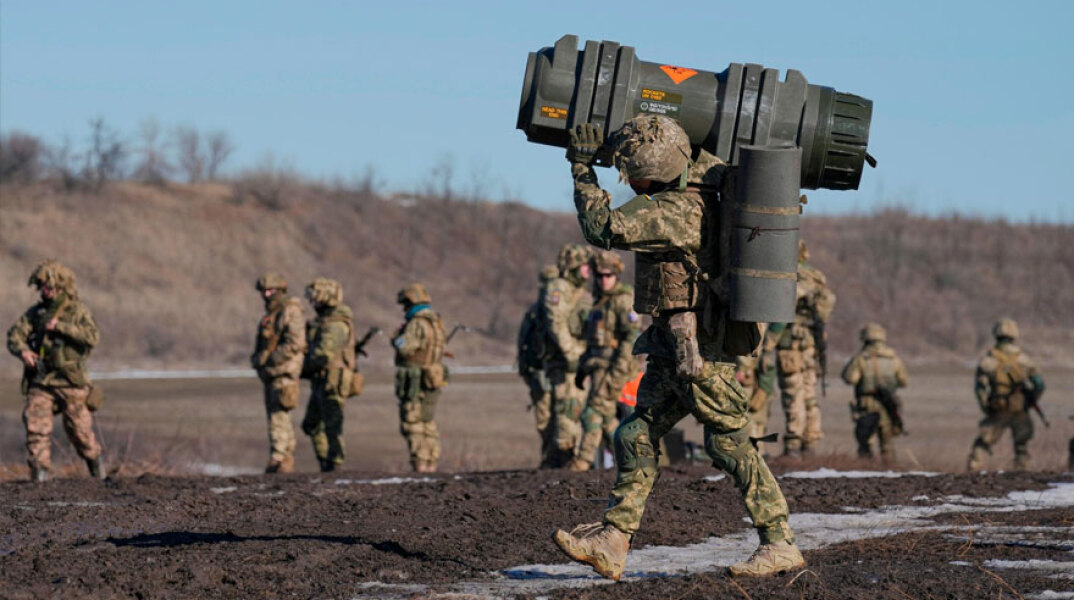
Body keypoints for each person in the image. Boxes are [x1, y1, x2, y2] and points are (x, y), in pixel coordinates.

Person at [552, 115, 804, 579]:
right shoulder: (702, 176)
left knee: (729, 446)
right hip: (675, 342)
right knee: (634, 434)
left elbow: (602, 228)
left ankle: (780, 541)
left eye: (634, 173)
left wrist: (582, 167)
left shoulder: (673, 211)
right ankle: (614, 540)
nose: (630, 181)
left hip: (701, 352)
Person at [7, 259, 104, 482]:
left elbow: (92, 337)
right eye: (41, 286)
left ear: (61, 286)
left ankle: (97, 468)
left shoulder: (76, 311)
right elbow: (15, 335)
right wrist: (23, 351)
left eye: (48, 286)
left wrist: (61, 327)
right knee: (35, 425)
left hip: (71, 380)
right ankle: (40, 473)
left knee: (80, 432)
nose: (44, 290)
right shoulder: (36, 313)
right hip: (42, 379)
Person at [568, 250, 640, 471]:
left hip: (613, 371)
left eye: (608, 275)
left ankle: (582, 462)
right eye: (599, 276)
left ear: (616, 276)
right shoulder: (599, 303)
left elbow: (631, 339)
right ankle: (629, 462)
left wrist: (615, 376)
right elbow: (593, 343)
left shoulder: (622, 300)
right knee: (608, 420)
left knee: (592, 414)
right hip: (597, 369)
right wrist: (582, 369)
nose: (603, 280)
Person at [774, 240, 836, 457]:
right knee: (810, 393)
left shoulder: (790, 276)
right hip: (812, 345)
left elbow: (781, 309)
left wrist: (769, 342)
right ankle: (811, 441)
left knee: (793, 392)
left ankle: (793, 443)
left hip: (790, 344)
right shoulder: (817, 277)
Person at [967, 318, 1045, 471]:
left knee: (982, 443)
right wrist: (1030, 401)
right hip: (1019, 409)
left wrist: (986, 407)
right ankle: (1022, 479)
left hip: (998, 408)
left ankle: (972, 471)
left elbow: (980, 388)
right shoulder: (1024, 360)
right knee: (1021, 446)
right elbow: (1039, 384)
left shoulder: (988, 360)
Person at [541, 243, 594, 467]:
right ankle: (563, 460)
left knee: (577, 410)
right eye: (584, 266)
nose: (588, 271)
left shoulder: (581, 292)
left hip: (580, 362)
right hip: (565, 364)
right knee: (566, 411)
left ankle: (566, 459)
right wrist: (571, 353)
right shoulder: (559, 287)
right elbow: (556, 323)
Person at [251, 273, 307, 474]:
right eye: (264, 291)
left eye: (271, 291)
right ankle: (283, 458)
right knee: (277, 414)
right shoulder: (272, 314)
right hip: (272, 372)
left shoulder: (290, 310)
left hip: (284, 371)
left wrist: (270, 358)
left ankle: (280, 457)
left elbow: (295, 343)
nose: (266, 294)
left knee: (279, 414)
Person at [300, 277, 356, 472]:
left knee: (332, 425)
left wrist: (301, 366)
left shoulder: (336, 324)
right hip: (321, 380)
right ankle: (326, 462)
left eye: (315, 298)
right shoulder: (323, 322)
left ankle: (334, 464)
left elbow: (323, 354)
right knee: (312, 424)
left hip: (333, 380)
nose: (312, 303)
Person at [392, 283, 447, 473]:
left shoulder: (416, 323)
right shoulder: (436, 322)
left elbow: (405, 347)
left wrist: (397, 336)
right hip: (432, 377)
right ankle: (431, 463)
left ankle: (420, 465)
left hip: (415, 379)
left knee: (413, 422)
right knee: (428, 422)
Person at [840, 323, 909, 462]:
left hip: (867, 403)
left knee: (866, 440)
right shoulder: (893, 359)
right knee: (887, 442)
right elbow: (904, 381)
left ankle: (866, 470)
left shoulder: (861, 359)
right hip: (888, 403)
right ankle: (890, 471)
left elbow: (850, 378)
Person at [517, 264, 560, 468]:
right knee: (544, 420)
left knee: (561, 418)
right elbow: (523, 342)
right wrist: (525, 369)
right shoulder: (534, 313)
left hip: (558, 371)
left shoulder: (562, 310)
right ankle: (549, 458)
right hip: (539, 372)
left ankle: (559, 458)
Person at [738, 324, 779, 456]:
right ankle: (756, 456)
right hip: (755, 369)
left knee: (750, 417)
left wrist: (742, 370)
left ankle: (754, 456)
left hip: (749, 372)